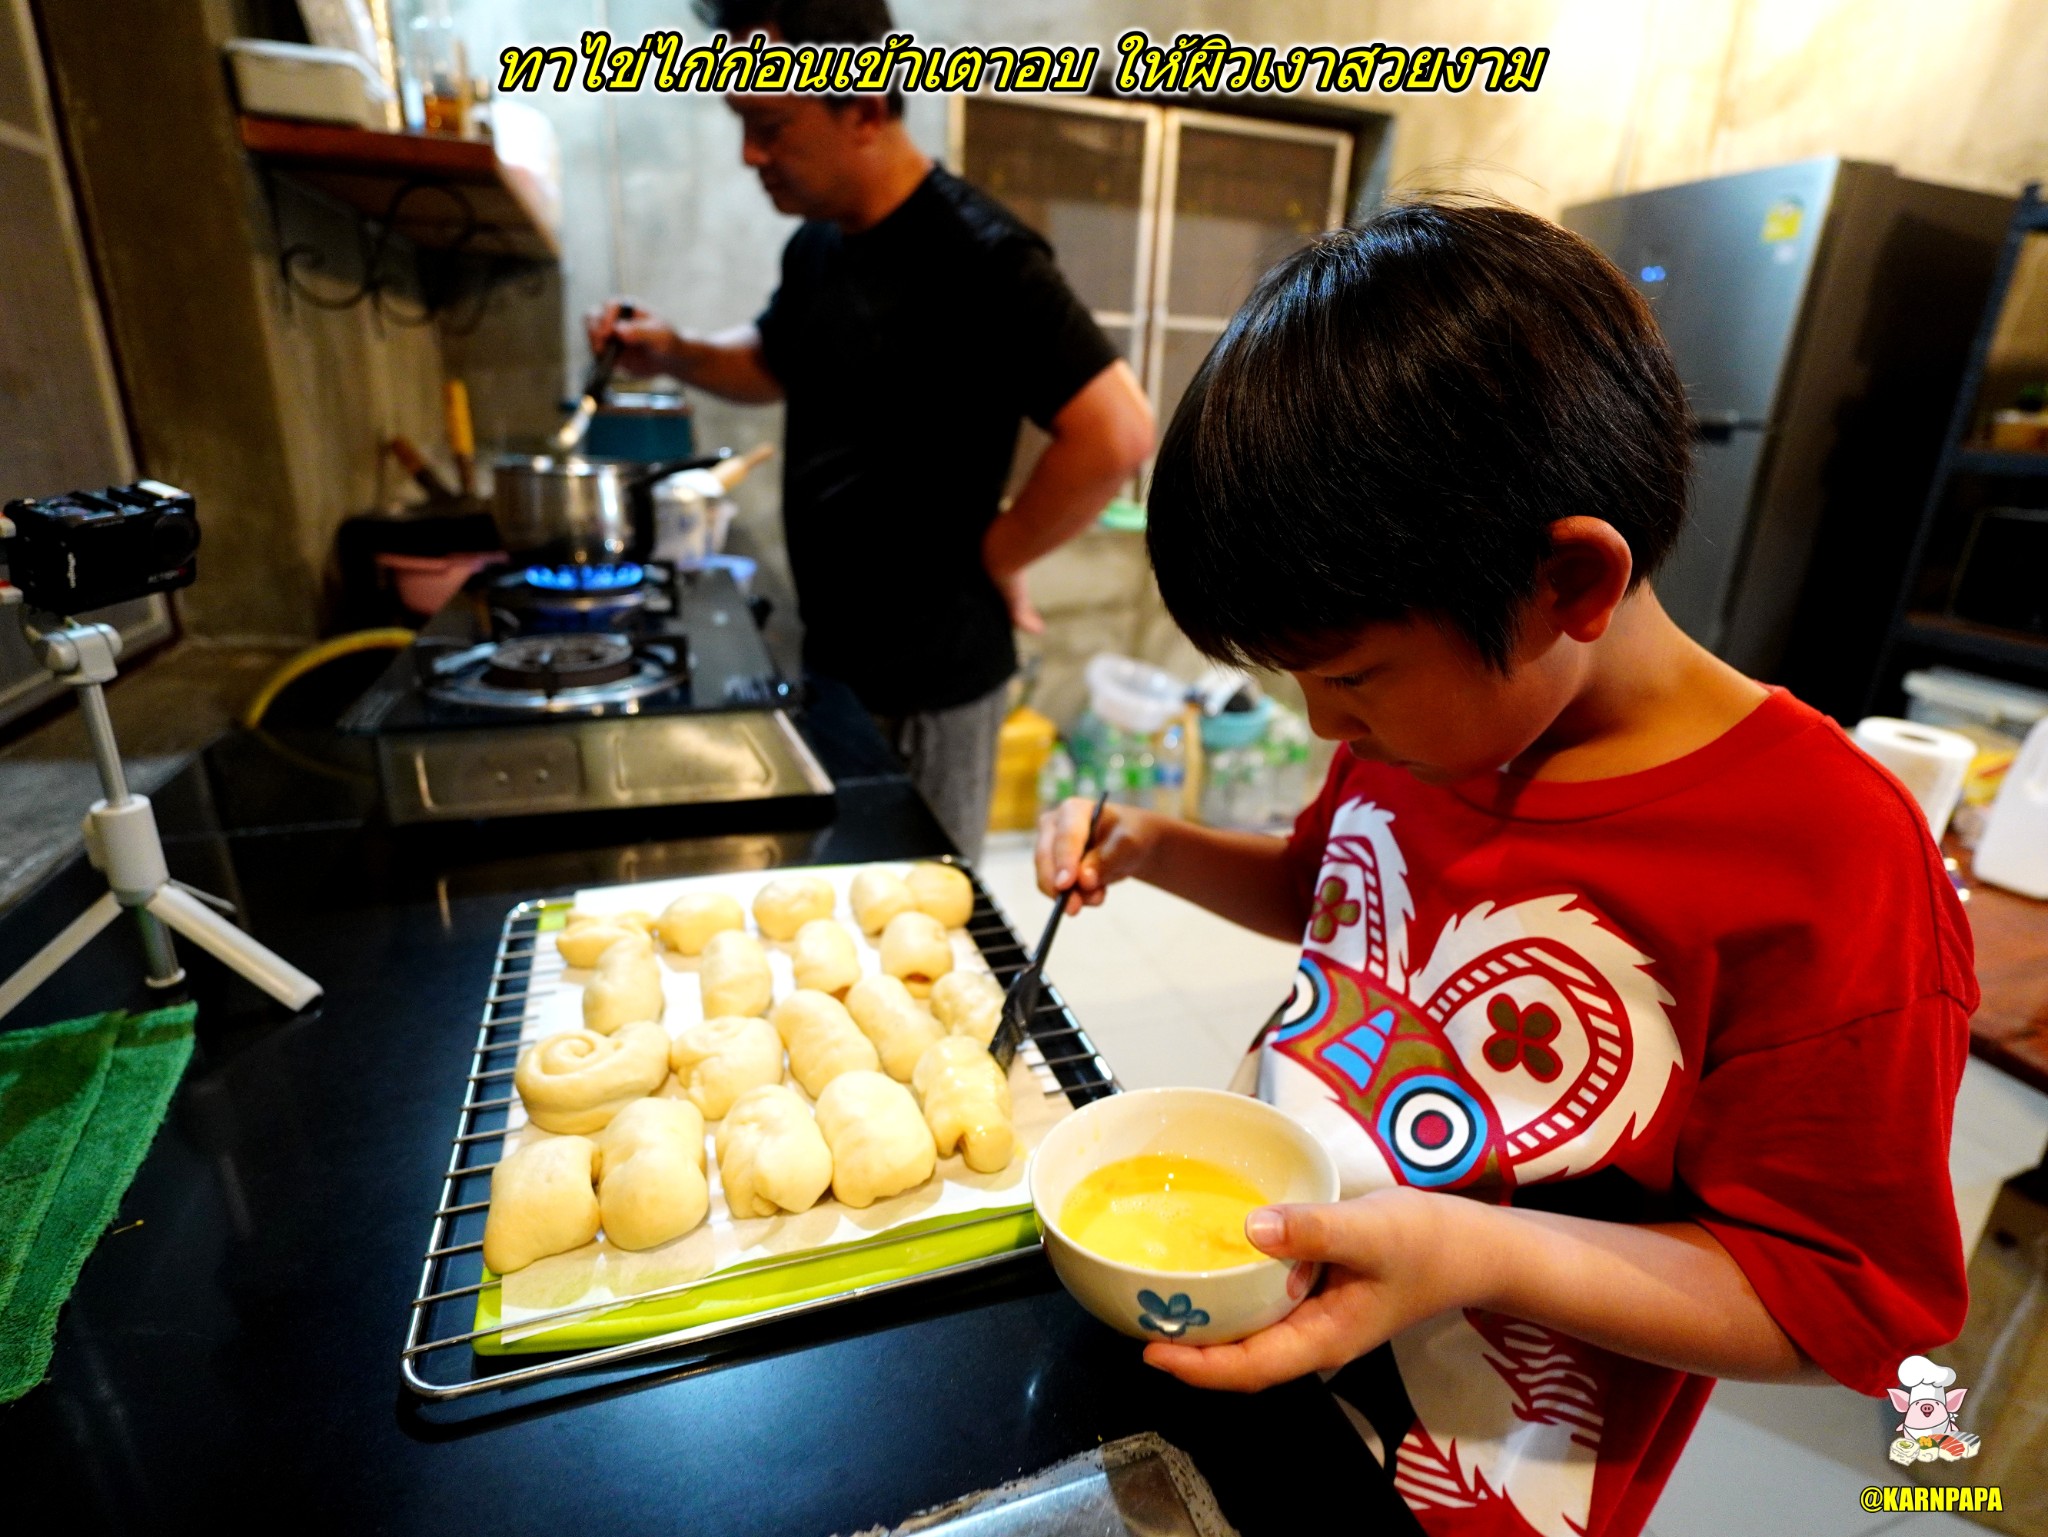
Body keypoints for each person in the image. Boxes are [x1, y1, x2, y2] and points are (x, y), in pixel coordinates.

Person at [1036, 200, 1975, 1537]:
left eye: (1351, 674)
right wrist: (1158, 847)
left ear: (1568, 582)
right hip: (1250, 1345)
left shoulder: (1829, 857)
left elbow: (1842, 1298)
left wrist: (1475, 1251)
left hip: (1479, 1480)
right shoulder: (1428, 726)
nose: (1322, 725)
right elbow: (1330, 898)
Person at [587, 0, 1153, 860]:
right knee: (844, 885)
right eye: (743, 126)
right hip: (837, 657)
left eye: (771, 126)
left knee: (926, 899)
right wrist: (674, 351)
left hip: (932, 680)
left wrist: (999, 554)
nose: (750, 155)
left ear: (864, 108)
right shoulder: (818, 246)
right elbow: (777, 359)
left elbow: (1117, 431)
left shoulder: (981, 255)